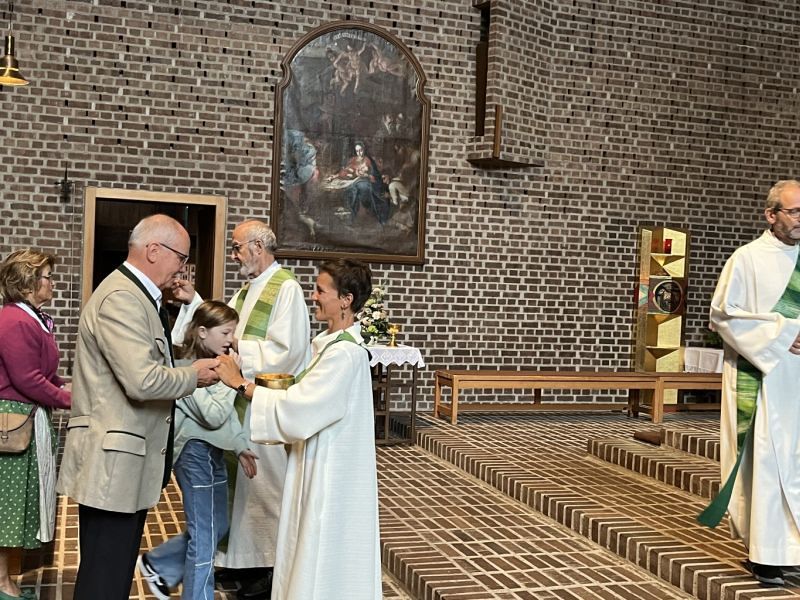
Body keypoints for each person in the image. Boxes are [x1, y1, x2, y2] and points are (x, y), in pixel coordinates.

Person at [56, 214, 220, 600]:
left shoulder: (140, 296)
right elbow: (141, 380)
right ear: (154, 251)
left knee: (111, 575)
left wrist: (189, 367)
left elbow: (152, 364)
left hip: (124, 463)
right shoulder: (122, 298)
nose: (183, 268)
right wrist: (194, 375)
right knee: (103, 580)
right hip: (113, 464)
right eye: (181, 257)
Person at [214, 258, 381, 600]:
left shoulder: (344, 354)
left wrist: (241, 383)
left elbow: (300, 408)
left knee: (320, 547)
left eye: (321, 290)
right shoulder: (328, 344)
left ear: (346, 299)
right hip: (314, 460)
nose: (313, 296)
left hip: (329, 471)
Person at [171, 219, 310, 600]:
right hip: (239, 399)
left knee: (265, 489)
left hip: (263, 402)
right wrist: (194, 301)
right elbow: (218, 325)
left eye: (236, 247)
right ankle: (241, 562)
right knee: (244, 493)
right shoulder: (249, 290)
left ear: (257, 247)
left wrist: (237, 353)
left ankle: (267, 567)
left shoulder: (286, 288)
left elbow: (288, 351)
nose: (233, 256)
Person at [703, 179, 800, 586]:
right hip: (762, 379)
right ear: (771, 215)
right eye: (794, 211)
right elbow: (723, 315)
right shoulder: (746, 259)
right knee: (766, 462)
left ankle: (793, 550)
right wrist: (782, 333)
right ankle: (766, 555)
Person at [138, 301, 258, 600]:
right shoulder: (185, 369)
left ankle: (159, 564)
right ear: (202, 332)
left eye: (233, 332)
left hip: (213, 452)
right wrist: (234, 382)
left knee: (218, 525)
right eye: (225, 332)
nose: (231, 339)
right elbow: (213, 415)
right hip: (193, 454)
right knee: (204, 536)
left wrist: (240, 445)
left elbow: (226, 418)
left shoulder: (217, 364)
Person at [0, 249, 71, 600]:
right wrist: (70, 399)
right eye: (47, 276)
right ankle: (2, 582)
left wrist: (63, 386)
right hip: (13, 422)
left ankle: (5, 579)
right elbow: (26, 379)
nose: (52, 282)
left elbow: (42, 372)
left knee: (17, 506)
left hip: (27, 416)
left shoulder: (33, 319)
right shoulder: (14, 320)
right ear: (28, 282)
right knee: (8, 507)